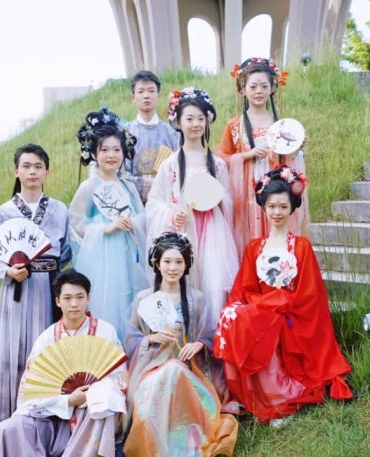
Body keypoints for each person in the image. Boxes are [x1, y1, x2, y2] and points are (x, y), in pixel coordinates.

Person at [214, 167, 352, 428]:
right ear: (263, 208)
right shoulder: (254, 248)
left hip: (291, 315)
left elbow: (310, 295)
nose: (277, 212)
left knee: (267, 323)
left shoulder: (301, 246)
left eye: (283, 206)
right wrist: (261, 304)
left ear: (292, 209)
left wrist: (280, 303)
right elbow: (245, 289)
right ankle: (259, 395)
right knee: (232, 317)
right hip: (262, 309)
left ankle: (283, 396)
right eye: (272, 206)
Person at [0, 269, 128, 456]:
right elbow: (29, 394)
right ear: (58, 301)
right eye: (67, 298)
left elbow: (118, 380)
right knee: (3, 430)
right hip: (51, 416)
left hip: (90, 413)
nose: (74, 304)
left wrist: (90, 395)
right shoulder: (47, 338)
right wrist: (67, 400)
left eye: (80, 297)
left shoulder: (105, 332)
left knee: (106, 400)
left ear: (88, 299)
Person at [123, 232, 238, 456]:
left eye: (179, 262)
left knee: (175, 369)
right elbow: (129, 338)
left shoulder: (197, 298)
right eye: (167, 261)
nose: (172, 268)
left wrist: (199, 345)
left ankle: (182, 442)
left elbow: (211, 335)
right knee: (167, 373)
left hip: (188, 366)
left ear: (186, 265)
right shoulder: (143, 298)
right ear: (157, 264)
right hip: (151, 367)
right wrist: (150, 339)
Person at [0, 143, 72, 426]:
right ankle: (10, 424)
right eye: (26, 166)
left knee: (47, 349)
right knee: (14, 349)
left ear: (47, 172)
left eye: (38, 166)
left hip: (48, 289)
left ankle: (47, 426)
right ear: (16, 171)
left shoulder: (60, 210)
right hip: (16, 291)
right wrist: (9, 270)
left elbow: (66, 252)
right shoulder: (3, 213)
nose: (32, 172)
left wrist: (49, 272)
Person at [146, 87, 239, 321]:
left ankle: (210, 336)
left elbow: (228, 198)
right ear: (178, 123)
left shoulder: (217, 164)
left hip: (212, 233)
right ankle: (182, 334)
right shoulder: (169, 165)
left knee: (213, 282)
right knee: (183, 280)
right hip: (182, 230)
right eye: (189, 119)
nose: (196, 124)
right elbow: (154, 202)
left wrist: (216, 200)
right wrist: (171, 214)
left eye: (201, 118)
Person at [215, 57, 310, 258]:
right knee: (249, 237)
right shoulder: (235, 125)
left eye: (264, 86)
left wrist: (296, 149)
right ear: (243, 89)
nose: (259, 91)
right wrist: (245, 155)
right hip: (246, 193)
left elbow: (289, 159)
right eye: (253, 86)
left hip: (275, 191)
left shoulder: (282, 124)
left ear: (272, 88)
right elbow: (220, 158)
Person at [70, 108, 149, 341]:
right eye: (104, 150)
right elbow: (76, 222)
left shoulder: (128, 186)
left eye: (117, 149)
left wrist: (132, 221)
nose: (111, 155)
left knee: (131, 300)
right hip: (102, 259)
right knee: (107, 301)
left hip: (128, 253)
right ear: (95, 153)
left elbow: (143, 216)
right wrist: (103, 228)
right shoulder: (89, 186)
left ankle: (129, 350)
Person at [124, 70, 179, 202]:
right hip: (133, 202)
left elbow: (179, 169)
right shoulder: (124, 133)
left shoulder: (172, 132)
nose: (146, 96)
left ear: (158, 96)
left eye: (151, 91)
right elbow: (121, 174)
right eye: (141, 91)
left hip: (166, 202)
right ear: (133, 98)